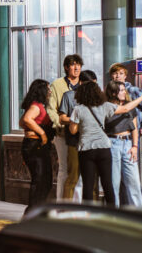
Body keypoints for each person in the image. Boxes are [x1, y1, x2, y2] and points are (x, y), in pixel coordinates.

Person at [69, 79, 142, 205]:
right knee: (108, 185)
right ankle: (113, 213)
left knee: (88, 184)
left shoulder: (78, 109)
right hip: (104, 148)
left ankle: (87, 215)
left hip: (87, 149)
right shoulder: (105, 106)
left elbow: (73, 130)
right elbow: (125, 109)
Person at [46, 54, 83, 200]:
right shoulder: (57, 84)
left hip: (82, 135)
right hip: (62, 134)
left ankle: (78, 203)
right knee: (64, 170)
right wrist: (59, 124)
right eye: (73, 65)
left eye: (78, 64)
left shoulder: (83, 83)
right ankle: (61, 202)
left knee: (79, 170)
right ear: (66, 67)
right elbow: (51, 108)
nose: (76, 68)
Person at [105, 80, 142, 206]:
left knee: (134, 184)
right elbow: (123, 109)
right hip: (112, 144)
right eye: (120, 90)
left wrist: (135, 146)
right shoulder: (107, 106)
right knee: (113, 184)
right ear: (113, 92)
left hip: (128, 144)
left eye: (123, 90)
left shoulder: (130, 106)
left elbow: (135, 128)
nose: (123, 93)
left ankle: (139, 216)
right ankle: (113, 217)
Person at [57, 70, 94, 202]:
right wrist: (77, 119)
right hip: (74, 141)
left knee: (92, 179)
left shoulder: (97, 98)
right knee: (73, 176)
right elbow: (62, 118)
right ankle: (66, 209)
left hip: (92, 142)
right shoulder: (69, 96)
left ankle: (92, 211)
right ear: (81, 83)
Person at [20, 79, 54, 212]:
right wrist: (42, 133)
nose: (50, 91)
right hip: (34, 146)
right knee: (40, 180)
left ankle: (37, 210)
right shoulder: (36, 106)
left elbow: (22, 122)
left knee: (45, 180)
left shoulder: (36, 105)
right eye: (48, 88)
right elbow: (27, 120)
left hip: (36, 146)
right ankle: (32, 213)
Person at [109, 63, 142, 139]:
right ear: (111, 75)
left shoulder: (132, 90)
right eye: (115, 73)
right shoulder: (108, 90)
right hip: (113, 134)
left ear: (125, 76)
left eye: (121, 73)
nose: (118, 76)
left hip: (131, 134)